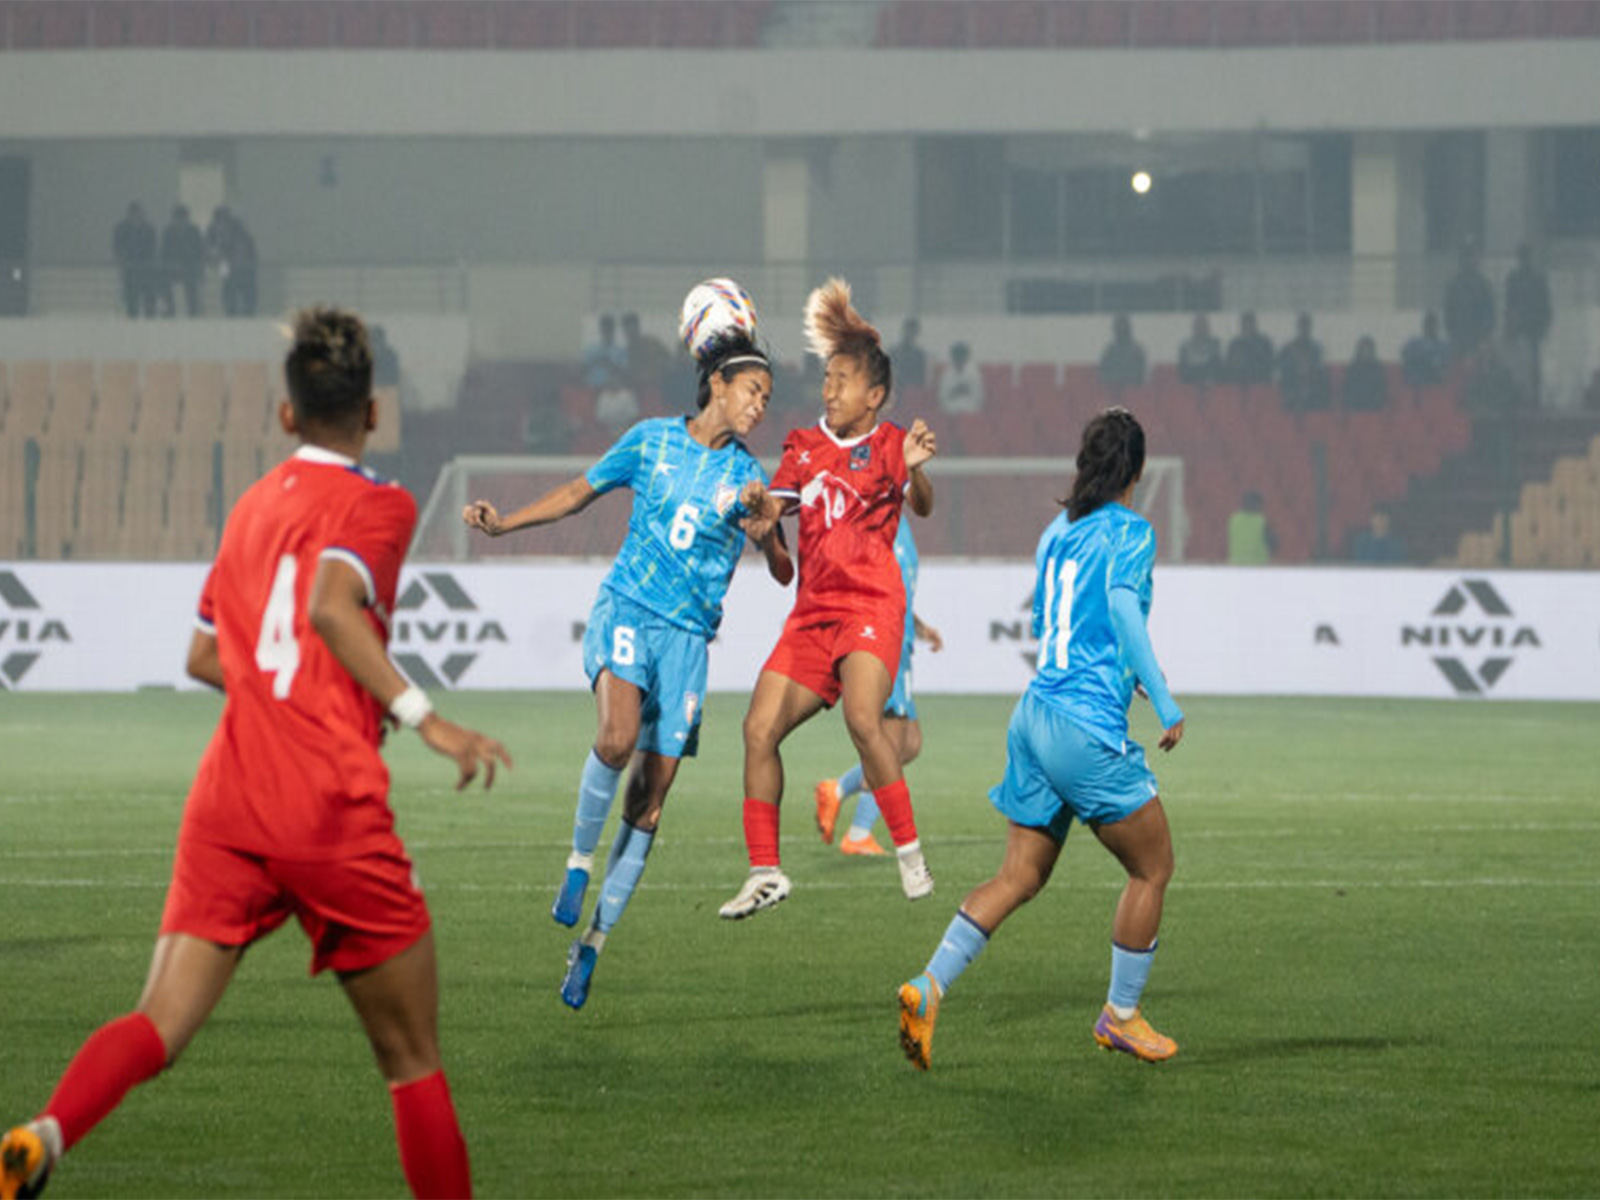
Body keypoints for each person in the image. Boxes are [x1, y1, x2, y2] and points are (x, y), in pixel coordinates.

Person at [0, 307, 511, 1200]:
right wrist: (425, 716)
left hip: (229, 804)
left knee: (157, 1020)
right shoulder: (379, 504)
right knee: (412, 1061)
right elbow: (327, 604)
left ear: (286, 416)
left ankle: (45, 1131)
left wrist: (289, 697)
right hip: (328, 808)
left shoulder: (249, 508)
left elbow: (207, 654)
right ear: (375, 411)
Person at [461, 302, 792, 1010]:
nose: (761, 406)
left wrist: (768, 533)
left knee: (648, 804)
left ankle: (592, 946)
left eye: (767, 397)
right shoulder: (648, 442)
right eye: (752, 391)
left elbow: (785, 571)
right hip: (629, 612)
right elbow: (580, 493)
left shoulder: (750, 476)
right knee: (614, 737)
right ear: (716, 384)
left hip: (689, 644)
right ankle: (578, 865)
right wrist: (506, 524)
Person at [896, 407, 1185, 1071]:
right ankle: (1121, 1015)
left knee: (1019, 876)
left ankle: (929, 985)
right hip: (1082, 730)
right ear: (1136, 470)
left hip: (1033, 717)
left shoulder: (1058, 530)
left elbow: (1072, 619)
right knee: (1153, 866)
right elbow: (1118, 610)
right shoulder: (1132, 532)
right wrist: (1162, 697)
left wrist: (1127, 674)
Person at [721, 277, 937, 919]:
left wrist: (919, 469)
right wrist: (761, 523)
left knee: (864, 721)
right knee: (757, 728)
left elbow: (920, 505)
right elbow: (777, 527)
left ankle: (907, 852)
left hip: (872, 606)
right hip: (812, 613)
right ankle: (765, 872)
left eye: (843, 380)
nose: (829, 389)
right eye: (826, 378)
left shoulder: (894, 444)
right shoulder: (801, 447)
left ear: (874, 396)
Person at [813, 519, 943, 856]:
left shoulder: (900, 527)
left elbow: (895, 589)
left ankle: (837, 789)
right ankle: (858, 834)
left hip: (905, 638)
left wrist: (920, 625)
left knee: (910, 744)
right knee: (889, 743)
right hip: (887, 642)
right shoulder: (873, 526)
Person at [1503, 243, 1551, 403]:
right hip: (1520, 327)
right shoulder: (1514, 279)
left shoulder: (1537, 278)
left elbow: (1545, 304)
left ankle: (1534, 398)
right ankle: (1520, 397)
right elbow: (1509, 304)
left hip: (1533, 327)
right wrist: (1509, 325)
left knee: (1533, 365)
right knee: (1519, 365)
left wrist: (1543, 325)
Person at [581, 314, 637, 430]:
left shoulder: (620, 351)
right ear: (601, 330)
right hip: (594, 388)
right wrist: (596, 362)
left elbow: (625, 373)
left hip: (614, 389)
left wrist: (610, 364)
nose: (607, 332)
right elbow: (582, 370)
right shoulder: (592, 350)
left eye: (609, 329)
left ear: (613, 330)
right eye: (605, 329)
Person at [1443, 242, 1495, 362]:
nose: (1468, 260)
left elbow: (1490, 313)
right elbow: (1448, 310)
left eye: (1471, 256)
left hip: (1478, 339)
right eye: (1464, 256)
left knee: (1478, 370)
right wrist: (1452, 332)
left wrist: (1486, 335)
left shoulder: (1483, 285)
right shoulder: (1454, 285)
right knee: (1457, 371)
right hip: (1459, 338)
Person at [112, 201, 157, 319]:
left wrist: (146, 261)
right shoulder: (121, 228)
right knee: (130, 292)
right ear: (128, 214)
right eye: (133, 214)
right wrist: (123, 260)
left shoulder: (149, 229)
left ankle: (150, 314)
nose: (135, 216)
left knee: (148, 291)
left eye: (138, 213)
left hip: (146, 266)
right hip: (129, 266)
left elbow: (152, 247)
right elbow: (117, 246)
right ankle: (132, 315)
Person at [160, 204, 206, 318]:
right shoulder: (168, 232)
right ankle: (169, 309)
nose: (180, 221)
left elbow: (200, 250)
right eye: (178, 218)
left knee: (191, 287)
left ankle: (193, 312)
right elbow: (163, 252)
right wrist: (170, 264)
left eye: (183, 218)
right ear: (174, 219)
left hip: (190, 268)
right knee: (164, 283)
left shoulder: (194, 232)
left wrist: (196, 265)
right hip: (172, 268)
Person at [1277, 312, 1330, 411]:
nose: (1304, 329)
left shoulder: (1317, 349)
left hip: (1314, 399)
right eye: (1302, 326)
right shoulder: (1287, 349)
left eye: (1306, 326)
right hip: (1293, 400)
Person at [1098, 312, 1147, 392]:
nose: (1121, 330)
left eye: (1123, 327)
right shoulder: (1109, 351)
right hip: (1112, 393)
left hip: (1133, 393)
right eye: (1118, 327)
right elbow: (1102, 374)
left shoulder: (1137, 351)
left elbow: (1139, 376)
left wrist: (1123, 382)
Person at [1401, 310, 1450, 388]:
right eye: (1428, 324)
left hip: (1436, 385)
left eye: (1433, 325)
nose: (1431, 328)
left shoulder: (1443, 346)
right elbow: (1404, 355)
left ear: (1438, 327)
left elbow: (1446, 364)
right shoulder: (1414, 343)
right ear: (1424, 326)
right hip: (1416, 383)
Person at [1224, 311, 1273, 386]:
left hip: (1260, 384)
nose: (1248, 327)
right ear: (1241, 326)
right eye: (1245, 324)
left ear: (1255, 325)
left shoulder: (1264, 343)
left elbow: (1270, 364)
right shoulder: (1234, 345)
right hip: (1239, 385)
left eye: (1250, 323)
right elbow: (1229, 366)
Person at [1227, 489, 1276, 564]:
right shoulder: (1260, 522)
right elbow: (1273, 543)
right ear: (1257, 504)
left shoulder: (1234, 520)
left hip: (1236, 567)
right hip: (1256, 567)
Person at [1341, 335, 1389, 411]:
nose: (1365, 353)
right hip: (1355, 406)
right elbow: (1347, 389)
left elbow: (1381, 389)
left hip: (1373, 406)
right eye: (1363, 350)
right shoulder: (1352, 368)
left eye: (1368, 350)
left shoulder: (1377, 369)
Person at [936, 340, 984, 415]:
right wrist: (955, 392)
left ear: (966, 357)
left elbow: (979, 397)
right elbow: (942, 399)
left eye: (962, 356)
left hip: (969, 408)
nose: (959, 359)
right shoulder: (946, 375)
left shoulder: (974, 374)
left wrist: (965, 393)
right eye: (957, 356)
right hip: (951, 408)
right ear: (952, 357)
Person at [1176, 313, 1222, 387]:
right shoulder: (1185, 346)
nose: (1200, 328)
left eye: (1203, 326)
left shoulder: (1215, 344)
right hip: (1189, 383)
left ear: (1207, 327)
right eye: (1198, 326)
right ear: (1193, 327)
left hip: (1209, 383)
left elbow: (1217, 367)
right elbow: (1182, 370)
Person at [892, 317, 928, 390]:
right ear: (903, 331)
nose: (910, 334)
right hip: (895, 391)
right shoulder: (893, 352)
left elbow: (921, 380)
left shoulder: (920, 355)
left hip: (910, 393)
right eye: (908, 330)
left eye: (913, 331)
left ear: (916, 333)